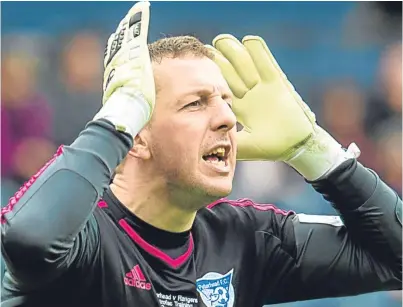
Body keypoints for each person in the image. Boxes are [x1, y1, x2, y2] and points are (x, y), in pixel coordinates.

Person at [1, 3, 401, 307]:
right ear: (136, 135)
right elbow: (29, 238)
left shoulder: (247, 239)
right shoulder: (85, 236)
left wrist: (316, 151)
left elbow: (395, 260)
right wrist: (118, 117)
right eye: (196, 103)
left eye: (227, 101)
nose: (228, 119)